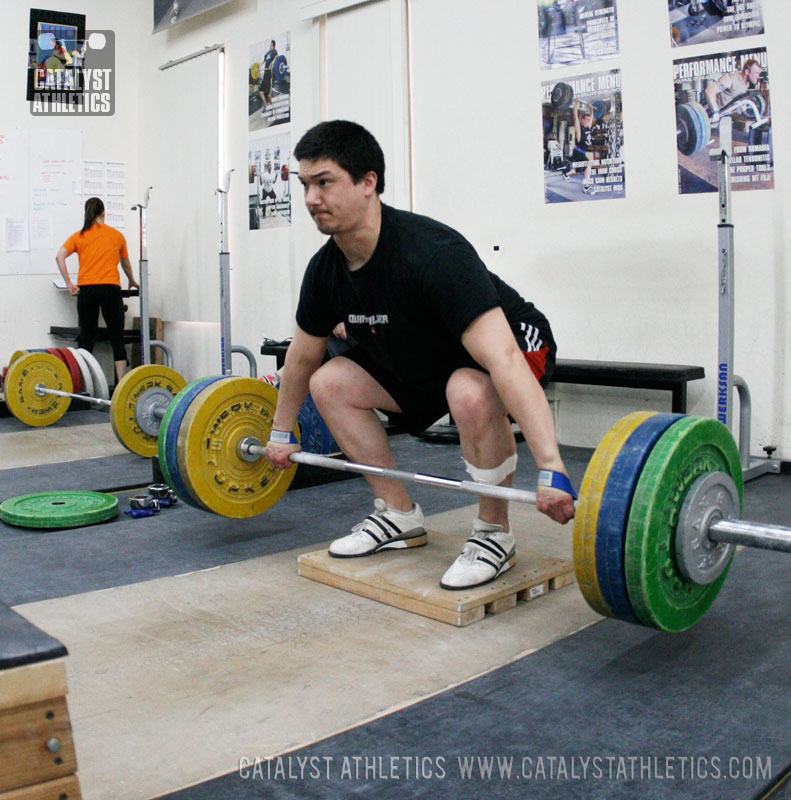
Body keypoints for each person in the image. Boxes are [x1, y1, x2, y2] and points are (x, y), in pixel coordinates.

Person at [264, 120, 575, 591]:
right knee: (330, 382)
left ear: (368, 182)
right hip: (423, 355)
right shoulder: (325, 270)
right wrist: (281, 432)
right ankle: (398, 515)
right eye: (305, 184)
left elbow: (505, 360)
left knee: (468, 391)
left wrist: (551, 465)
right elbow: (303, 360)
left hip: (515, 343)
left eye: (324, 182)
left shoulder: (431, 253)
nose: (311, 199)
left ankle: (494, 532)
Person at [55, 197, 139, 389]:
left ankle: (83, 387)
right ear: (103, 213)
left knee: (87, 337)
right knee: (117, 337)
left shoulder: (79, 236)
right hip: (111, 289)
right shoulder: (116, 236)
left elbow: (59, 256)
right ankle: (121, 389)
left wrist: (69, 283)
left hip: (88, 290)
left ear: (87, 214)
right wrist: (132, 280)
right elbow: (125, 263)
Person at [705, 58, 762, 122]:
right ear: (747, 72)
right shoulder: (730, 80)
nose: (758, 76)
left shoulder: (746, 84)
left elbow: (732, 100)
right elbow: (709, 90)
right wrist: (715, 111)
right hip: (707, 111)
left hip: (720, 115)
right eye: (756, 73)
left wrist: (740, 106)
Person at [564, 98, 597, 194]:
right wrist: (575, 105)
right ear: (582, 120)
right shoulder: (580, 129)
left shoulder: (588, 128)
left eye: (589, 120)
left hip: (582, 152)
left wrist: (591, 110)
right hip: (578, 152)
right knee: (588, 165)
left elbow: (591, 117)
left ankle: (566, 174)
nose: (588, 121)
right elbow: (575, 117)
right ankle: (586, 187)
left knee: (578, 171)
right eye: (586, 120)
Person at [258, 40, 278, 118]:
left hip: (269, 75)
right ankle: (266, 106)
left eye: (271, 45)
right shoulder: (267, 53)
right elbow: (264, 60)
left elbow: (276, 58)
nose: (270, 46)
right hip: (265, 75)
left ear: (273, 46)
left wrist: (271, 64)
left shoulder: (274, 51)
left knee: (269, 95)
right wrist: (259, 66)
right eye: (269, 45)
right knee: (261, 93)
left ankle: (272, 110)